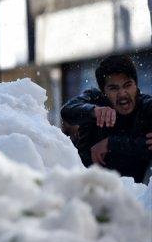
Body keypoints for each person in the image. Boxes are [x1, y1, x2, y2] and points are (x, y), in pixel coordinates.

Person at [61, 55, 152, 183]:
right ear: (103, 91)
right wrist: (93, 111)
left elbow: (146, 147)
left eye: (127, 85)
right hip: (88, 188)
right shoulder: (95, 100)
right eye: (114, 88)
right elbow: (67, 111)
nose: (122, 94)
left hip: (135, 194)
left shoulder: (146, 106)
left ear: (136, 85)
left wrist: (111, 143)